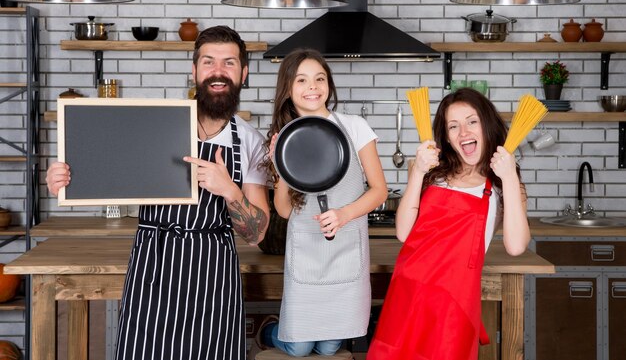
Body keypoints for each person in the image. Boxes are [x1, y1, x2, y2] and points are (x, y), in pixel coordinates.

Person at [45, 25, 270, 360]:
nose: (218, 72)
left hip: (214, 275)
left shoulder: (250, 141)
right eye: (208, 62)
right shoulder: (155, 122)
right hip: (154, 267)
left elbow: (258, 232)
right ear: (193, 71)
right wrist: (64, 178)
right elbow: (101, 168)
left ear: (244, 72)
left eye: (229, 63)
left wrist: (231, 192)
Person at [367, 87, 531, 360]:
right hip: (408, 294)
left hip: (454, 306)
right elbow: (404, 232)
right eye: (453, 126)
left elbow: (515, 246)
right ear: (447, 137)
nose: (463, 132)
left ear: (487, 124)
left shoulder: (504, 186)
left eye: (471, 121)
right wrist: (418, 171)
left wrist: (510, 177)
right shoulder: (433, 174)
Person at [257, 48, 387, 357]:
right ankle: (271, 331)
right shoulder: (283, 139)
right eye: (301, 80)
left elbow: (380, 190)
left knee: (330, 347)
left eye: (319, 78)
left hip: (346, 246)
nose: (312, 87)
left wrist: (345, 214)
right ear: (288, 89)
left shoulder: (355, 127)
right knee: (300, 347)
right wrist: (280, 165)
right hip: (306, 251)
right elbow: (285, 210)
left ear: (328, 84)